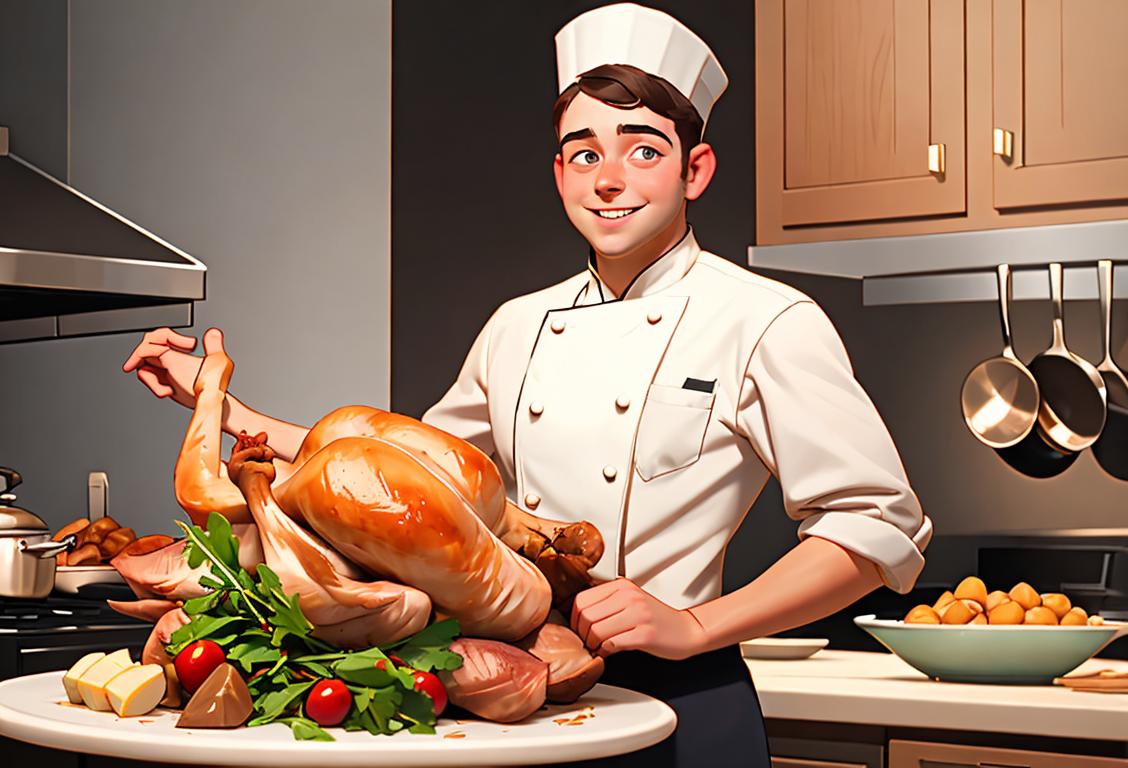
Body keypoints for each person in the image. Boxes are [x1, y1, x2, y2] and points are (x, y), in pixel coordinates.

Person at [123, 5, 931, 766]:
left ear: (697, 168)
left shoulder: (765, 318)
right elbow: (404, 473)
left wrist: (691, 624)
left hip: (685, 694)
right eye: (585, 152)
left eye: (643, 149)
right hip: (527, 687)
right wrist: (220, 403)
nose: (609, 177)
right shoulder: (517, 324)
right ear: (558, 173)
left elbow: (872, 528)